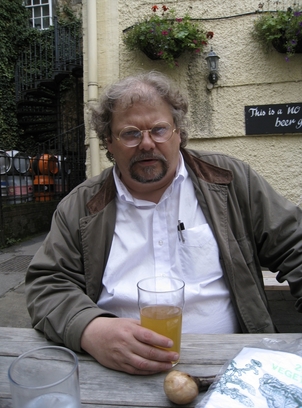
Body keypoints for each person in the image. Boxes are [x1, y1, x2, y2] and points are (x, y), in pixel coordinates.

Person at [25, 71, 302, 376]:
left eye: (159, 129)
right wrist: (90, 329)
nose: (146, 144)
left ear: (178, 133)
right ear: (109, 141)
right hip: (115, 372)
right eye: (130, 133)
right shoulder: (79, 207)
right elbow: (47, 284)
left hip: (232, 365)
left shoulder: (230, 181)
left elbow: (295, 243)